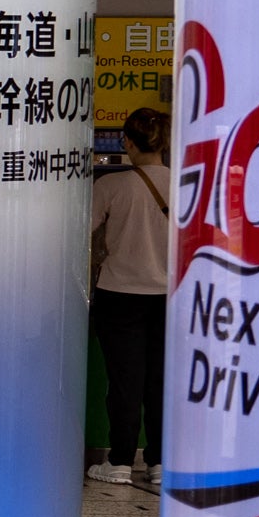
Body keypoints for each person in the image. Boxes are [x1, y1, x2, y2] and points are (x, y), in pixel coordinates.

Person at [89, 107, 174, 487]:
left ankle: (120, 461)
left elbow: (82, 231)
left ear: (126, 141)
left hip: (120, 295)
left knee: (125, 380)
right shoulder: (185, 184)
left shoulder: (111, 186)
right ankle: (158, 462)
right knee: (160, 379)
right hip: (170, 298)